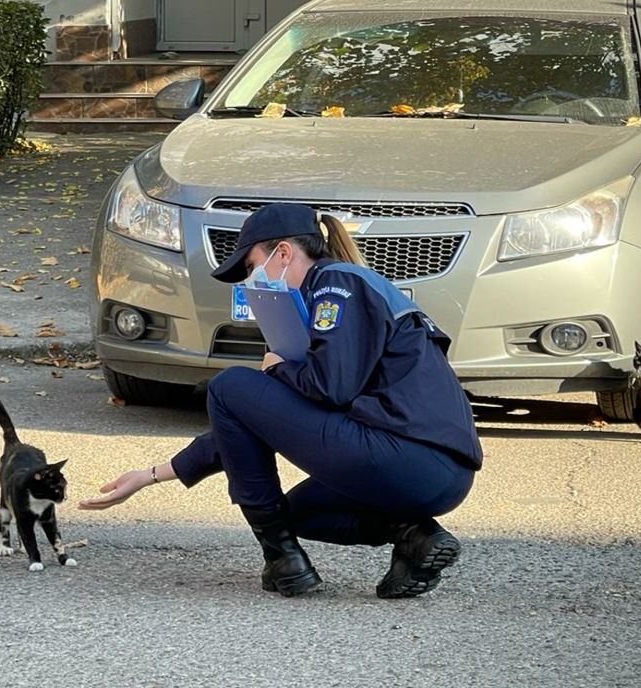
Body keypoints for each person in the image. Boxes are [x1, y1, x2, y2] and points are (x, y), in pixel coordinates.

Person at [79, 203, 482, 598]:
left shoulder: (336, 285)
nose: (251, 279)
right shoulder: (347, 292)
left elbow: (331, 387)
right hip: (441, 477)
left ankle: (281, 558)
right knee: (300, 512)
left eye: (253, 266)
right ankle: (416, 537)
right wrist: (152, 475)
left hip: (404, 455)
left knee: (229, 385)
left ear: (284, 253)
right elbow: (250, 425)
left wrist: (278, 368)